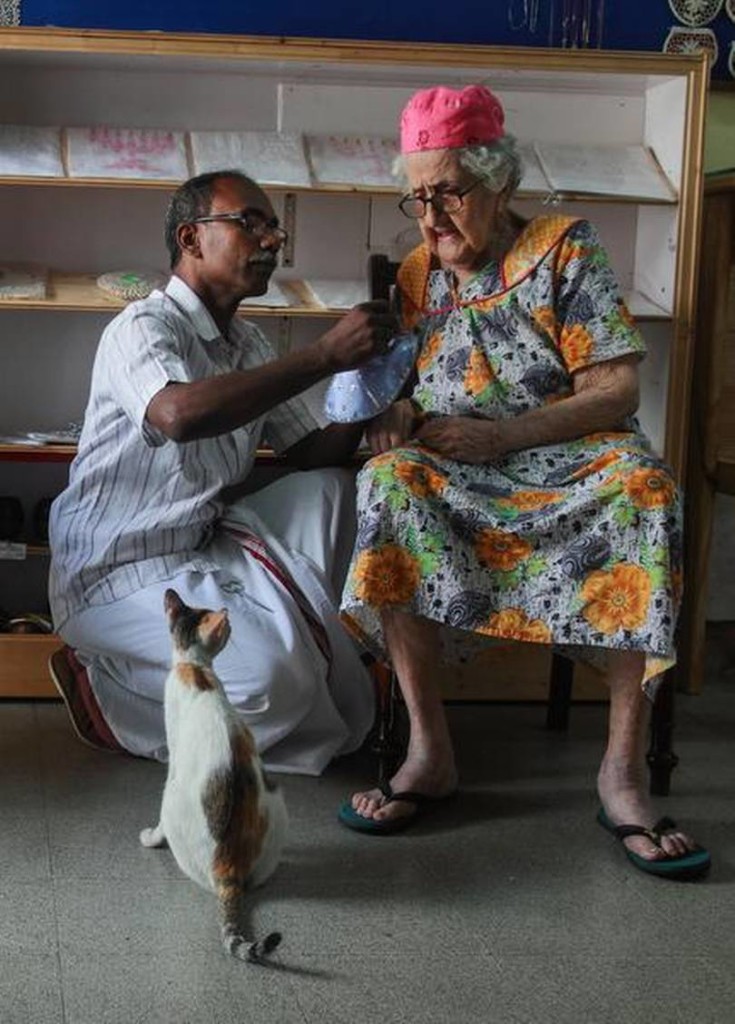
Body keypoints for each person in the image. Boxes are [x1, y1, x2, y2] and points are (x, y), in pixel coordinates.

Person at [337, 85, 710, 879]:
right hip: (455, 466)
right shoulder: (418, 273)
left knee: (645, 489)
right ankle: (429, 751)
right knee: (389, 482)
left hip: (563, 457)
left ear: (498, 182)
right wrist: (396, 416)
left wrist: (503, 434)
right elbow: (404, 384)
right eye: (417, 197)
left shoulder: (563, 247)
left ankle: (621, 769)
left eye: (448, 194)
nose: (432, 218)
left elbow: (614, 389)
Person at [48, 168, 398, 775]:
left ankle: (316, 652)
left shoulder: (248, 343)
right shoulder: (142, 327)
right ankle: (104, 693)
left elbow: (311, 453)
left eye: (274, 227)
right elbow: (179, 414)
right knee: (271, 685)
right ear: (191, 238)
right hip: (114, 573)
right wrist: (323, 354)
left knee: (339, 489)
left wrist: (372, 385)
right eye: (250, 223)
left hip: (198, 548)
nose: (271, 240)